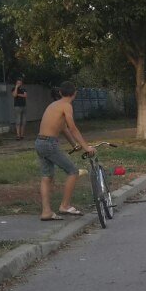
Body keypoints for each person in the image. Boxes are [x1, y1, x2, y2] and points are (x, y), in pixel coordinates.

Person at [36, 83, 94, 221]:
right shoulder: (67, 106)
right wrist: (86, 147)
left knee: (46, 177)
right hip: (50, 144)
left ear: (61, 93)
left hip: (39, 142)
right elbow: (72, 128)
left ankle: (46, 212)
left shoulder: (54, 105)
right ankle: (65, 206)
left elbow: (63, 128)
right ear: (75, 93)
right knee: (73, 171)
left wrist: (74, 145)